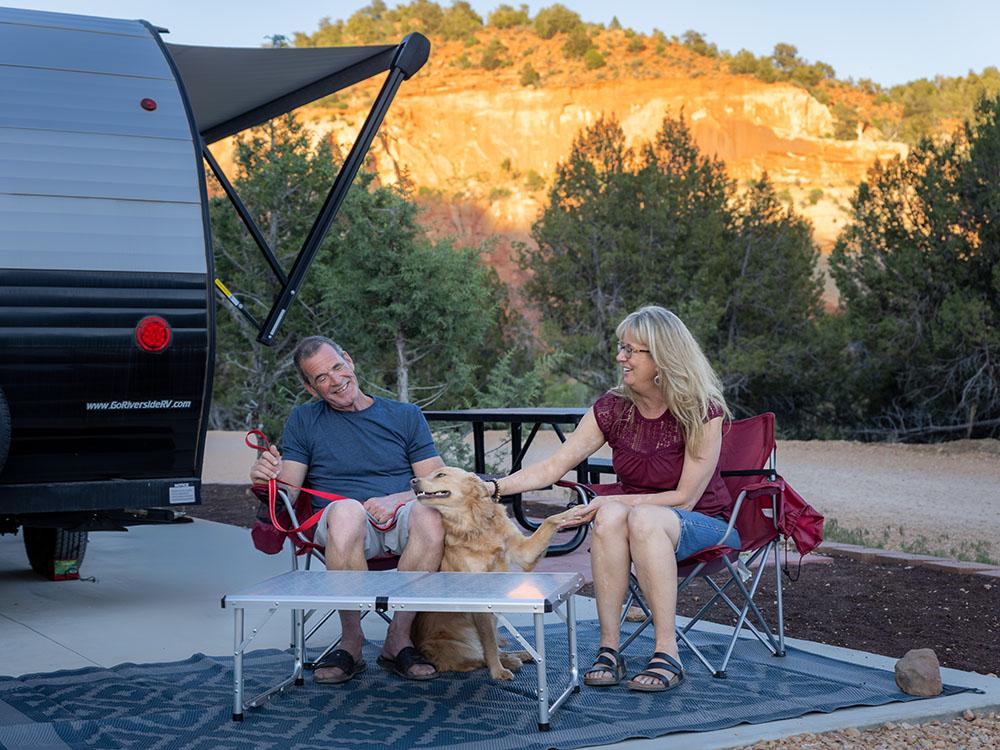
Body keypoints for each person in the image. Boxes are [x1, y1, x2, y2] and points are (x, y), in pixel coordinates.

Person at [493, 306, 739, 692]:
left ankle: (667, 650)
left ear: (661, 357)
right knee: (610, 519)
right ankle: (609, 648)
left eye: (630, 350)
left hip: (702, 523)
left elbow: (686, 498)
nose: (620, 357)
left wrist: (617, 501)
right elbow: (553, 467)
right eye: (620, 348)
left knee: (631, 516)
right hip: (632, 523)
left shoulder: (700, 408)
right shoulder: (613, 408)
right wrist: (491, 488)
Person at [250, 336, 445, 684]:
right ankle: (351, 640)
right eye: (321, 377)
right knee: (346, 511)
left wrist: (397, 500)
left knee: (429, 514)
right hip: (341, 528)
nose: (336, 380)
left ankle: (398, 637)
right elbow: (287, 497)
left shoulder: (405, 416)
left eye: (337, 366)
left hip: (399, 519)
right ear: (311, 389)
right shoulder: (304, 420)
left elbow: (438, 485)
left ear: (350, 361)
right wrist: (265, 478)